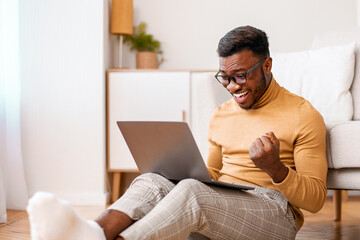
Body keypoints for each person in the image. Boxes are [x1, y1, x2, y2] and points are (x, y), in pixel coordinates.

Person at [27, 25, 327, 240]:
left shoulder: (303, 115)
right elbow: (210, 174)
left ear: (267, 65)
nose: (234, 86)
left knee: (193, 193)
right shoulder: (221, 114)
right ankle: (94, 233)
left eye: (241, 75)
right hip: (223, 204)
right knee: (151, 181)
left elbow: (315, 199)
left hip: (275, 216)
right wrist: (173, 169)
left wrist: (276, 169)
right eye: (225, 78)